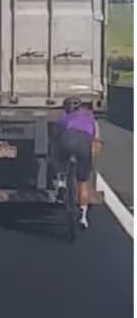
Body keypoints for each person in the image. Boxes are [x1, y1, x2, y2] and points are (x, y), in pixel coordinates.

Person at [55, 96, 98, 229]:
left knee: (57, 153)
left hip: (68, 139)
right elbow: (94, 137)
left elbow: (56, 135)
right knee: (83, 182)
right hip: (84, 142)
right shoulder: (89, 117)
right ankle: (83, 217)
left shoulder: (64, 118)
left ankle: (61, 182)